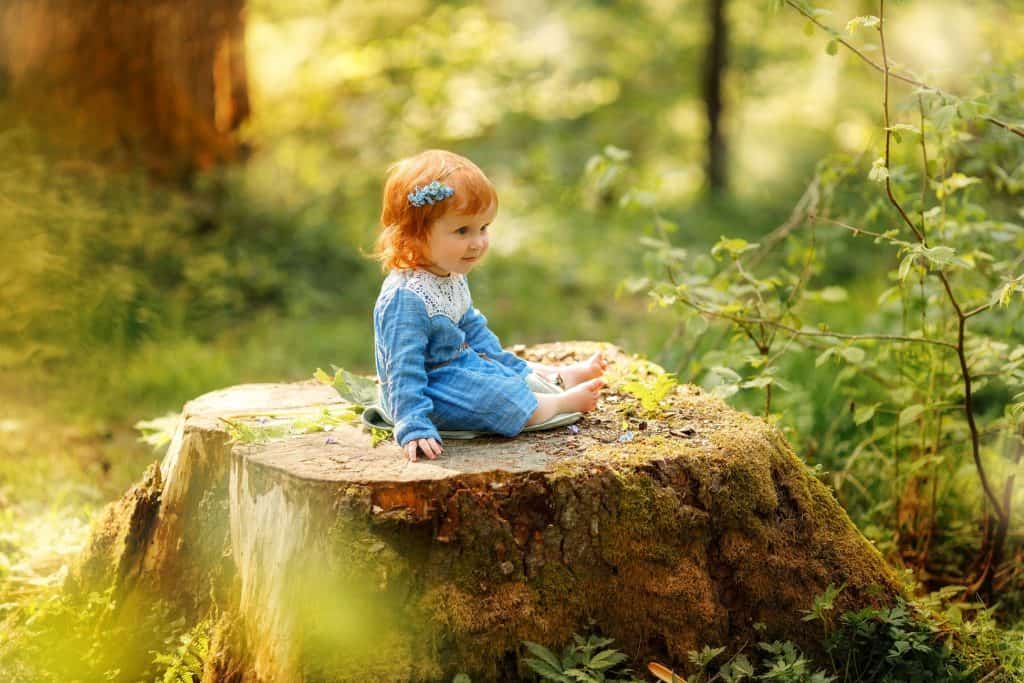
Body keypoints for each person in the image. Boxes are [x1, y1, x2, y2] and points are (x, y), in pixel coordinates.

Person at [372, 149, 607, 462]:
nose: (478, 242)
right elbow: (403, 370)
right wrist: (412, 423)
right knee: (496, 397)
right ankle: (557, 404)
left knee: (503, 370)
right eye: (462, 231)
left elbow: (472, 328)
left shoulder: (450, 272)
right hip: (428, 390)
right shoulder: (407, 298)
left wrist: (506, 364)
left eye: (483, 228)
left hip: (457, 369)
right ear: (413, 236)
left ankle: (553, 377)